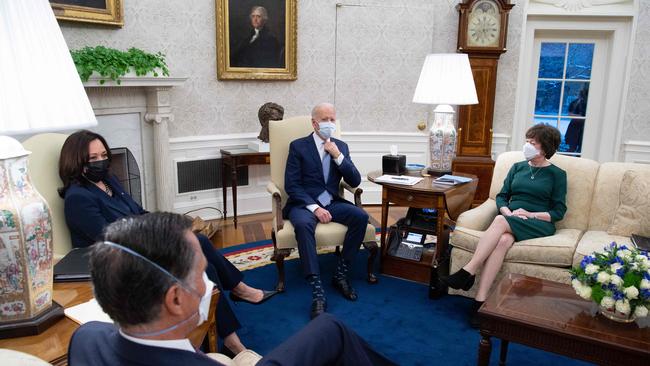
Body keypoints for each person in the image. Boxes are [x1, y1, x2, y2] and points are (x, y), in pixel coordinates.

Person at [68, 212, 397, 366]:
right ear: (176, 298)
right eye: (202, 274)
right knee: (330, 328)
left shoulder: (85, 338)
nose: (210, 284)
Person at [58, 130, 277, 355]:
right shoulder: (78, 198)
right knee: (203, 261)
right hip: (120, 261)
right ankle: (236, 322)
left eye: (104, 155)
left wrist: (164, 227)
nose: (101, 161)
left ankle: (232, 321)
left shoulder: (109, 181)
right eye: (93, 158)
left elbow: (138, 212)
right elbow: (109, 239)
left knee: (199, 248)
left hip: (139, 245)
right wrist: (160, 238)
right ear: (77, 161)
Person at [441, 124, 567, 327]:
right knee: (503, 241)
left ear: (545, 147)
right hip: (510, 219)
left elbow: (558, 212)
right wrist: (507, 211)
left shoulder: (557, 175)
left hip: (537, 223)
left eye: (532, 143)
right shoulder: (518, 167)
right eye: (526, 141)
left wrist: (530, 214)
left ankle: (467, 272)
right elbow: (501, 197)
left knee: (499, 222)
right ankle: (479, 303)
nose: (527, 145)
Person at [283, 103, 369, 319]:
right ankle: (317, 288)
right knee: (303, 225)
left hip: (332, 201)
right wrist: (314, 208)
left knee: (361, 217)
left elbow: (355, 180)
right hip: (305, 204)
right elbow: (291, 185)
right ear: (314, 123)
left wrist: (338, 155)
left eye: (333, 119)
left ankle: (340, 274)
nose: (330, 123)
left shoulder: (341, 146)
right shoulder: (298, 146)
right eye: (325, 119)